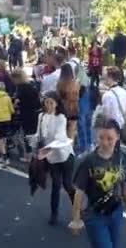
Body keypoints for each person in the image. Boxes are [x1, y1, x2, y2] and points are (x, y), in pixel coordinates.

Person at [70, 117, 126, 248]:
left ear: (117, 137)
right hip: (95, 215)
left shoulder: (124, 159)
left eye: (109, 138)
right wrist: (76, 218)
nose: (104, 142)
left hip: (116, 213)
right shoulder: (89, 161)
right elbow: (79, 192)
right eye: (101, 138)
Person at [30, 91, 75, 225]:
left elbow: (59, 138)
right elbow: (39, 134)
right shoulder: (41, 116)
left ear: (56, 104)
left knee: (67, 185)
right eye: (47, 102)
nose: (49, 105)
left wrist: (45, 150)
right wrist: (33, 141)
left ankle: (77, 207)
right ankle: (54, 214)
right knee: (56, 185)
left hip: (65, 155)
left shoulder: (61, 117)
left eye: (51, 103)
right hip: (51, 158)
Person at [11, 69, 41, 161]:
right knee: (34, 133)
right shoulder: (31, 85)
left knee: (27, 135)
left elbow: (17, 102)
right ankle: (37, 154)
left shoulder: (21, 88)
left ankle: (29, 156)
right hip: (36, 112)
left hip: (26, 113)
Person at [102, 66, 126, 136]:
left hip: (111, 128)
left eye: (105, 76)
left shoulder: (107, 95)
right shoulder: (125, 93)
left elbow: (106, 115)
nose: (104, 78)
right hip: (121, 127)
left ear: (110, 77)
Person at [57, 64, 80, 142]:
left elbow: (59, 97)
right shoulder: (76, 83)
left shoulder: (60, 84)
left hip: (63, 108)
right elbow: (77, 96)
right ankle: (71, 150)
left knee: (63, 130)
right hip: (74, 108)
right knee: (72, 131)